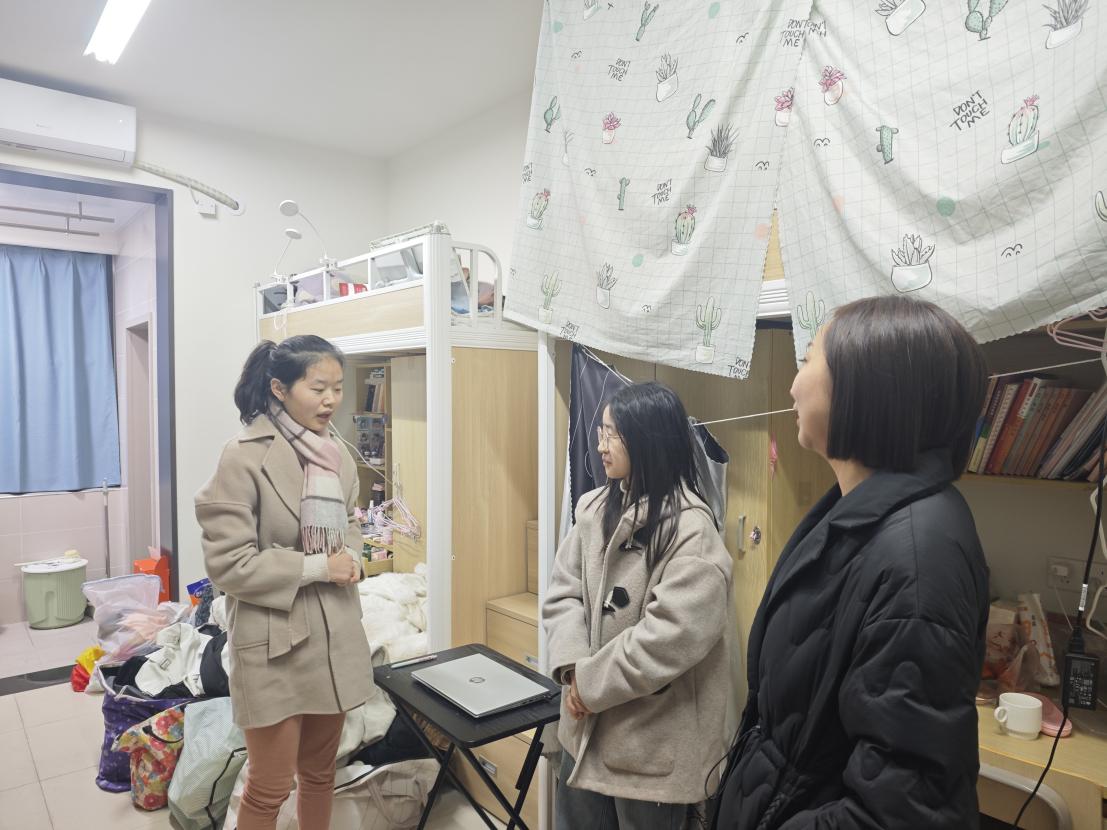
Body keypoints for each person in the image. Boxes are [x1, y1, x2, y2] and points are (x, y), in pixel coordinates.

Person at [713, 296, 991, 829]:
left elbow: (900, 813)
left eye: (807, 361)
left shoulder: (918, 557)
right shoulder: (857, 510)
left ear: (866, 388)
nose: (793, 386)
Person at [195, 335, 371, 830]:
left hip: (333, 635)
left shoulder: (337, 453)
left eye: (338, 387)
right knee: (269, 786)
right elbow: (228, 564)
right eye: (318, 388)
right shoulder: (242, 457)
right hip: (274, 642)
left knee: (320, 774)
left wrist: (353, 556)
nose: (331, 400)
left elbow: (351, 522)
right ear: (279, 388)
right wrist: (317, 568)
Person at [544, 381, 734, 830]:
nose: (600, 446)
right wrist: (572, 669)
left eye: (613, 434)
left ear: (648, 440)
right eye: (601, 432)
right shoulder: (592, 509)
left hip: (650, 753)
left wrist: (589, 685)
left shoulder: (692, 532)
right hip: (582, 733)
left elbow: (666, 640)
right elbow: (563, 593)